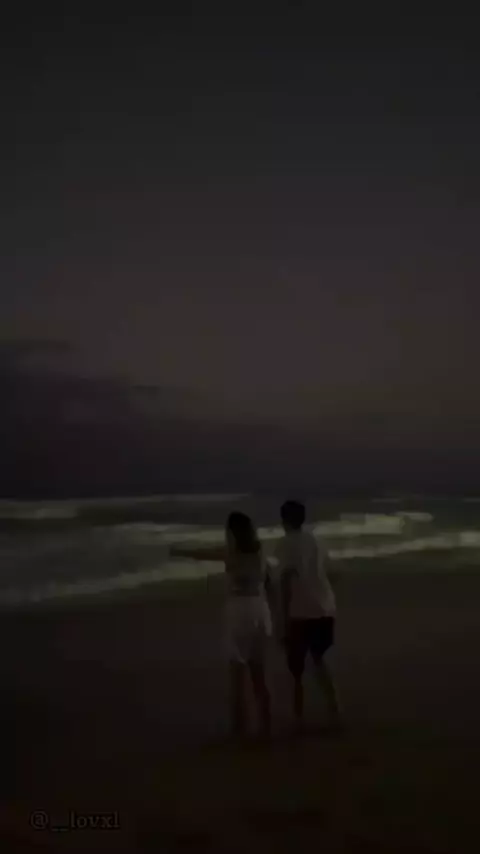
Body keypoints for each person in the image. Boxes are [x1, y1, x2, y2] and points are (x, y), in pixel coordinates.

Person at [170, 512, 272, 741]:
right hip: (260, 609)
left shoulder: (231, 553)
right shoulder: (260, 551)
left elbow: (202, 553)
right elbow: (269, 580)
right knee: (259, 674)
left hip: (240, 612)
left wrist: (178, 551)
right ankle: (266, 726)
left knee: (238, 675)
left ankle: (241, 728)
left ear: (232, 532)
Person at [270, 499, 342, 733]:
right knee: (319, 660)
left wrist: (281, 617)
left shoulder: (285, 544)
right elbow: (334, 573)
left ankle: (298, 718)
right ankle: (334, 709)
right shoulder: (317, 540)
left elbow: (284, 580)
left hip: (300, 612)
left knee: (296, 669)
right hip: (324, 607)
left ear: (284, 520)